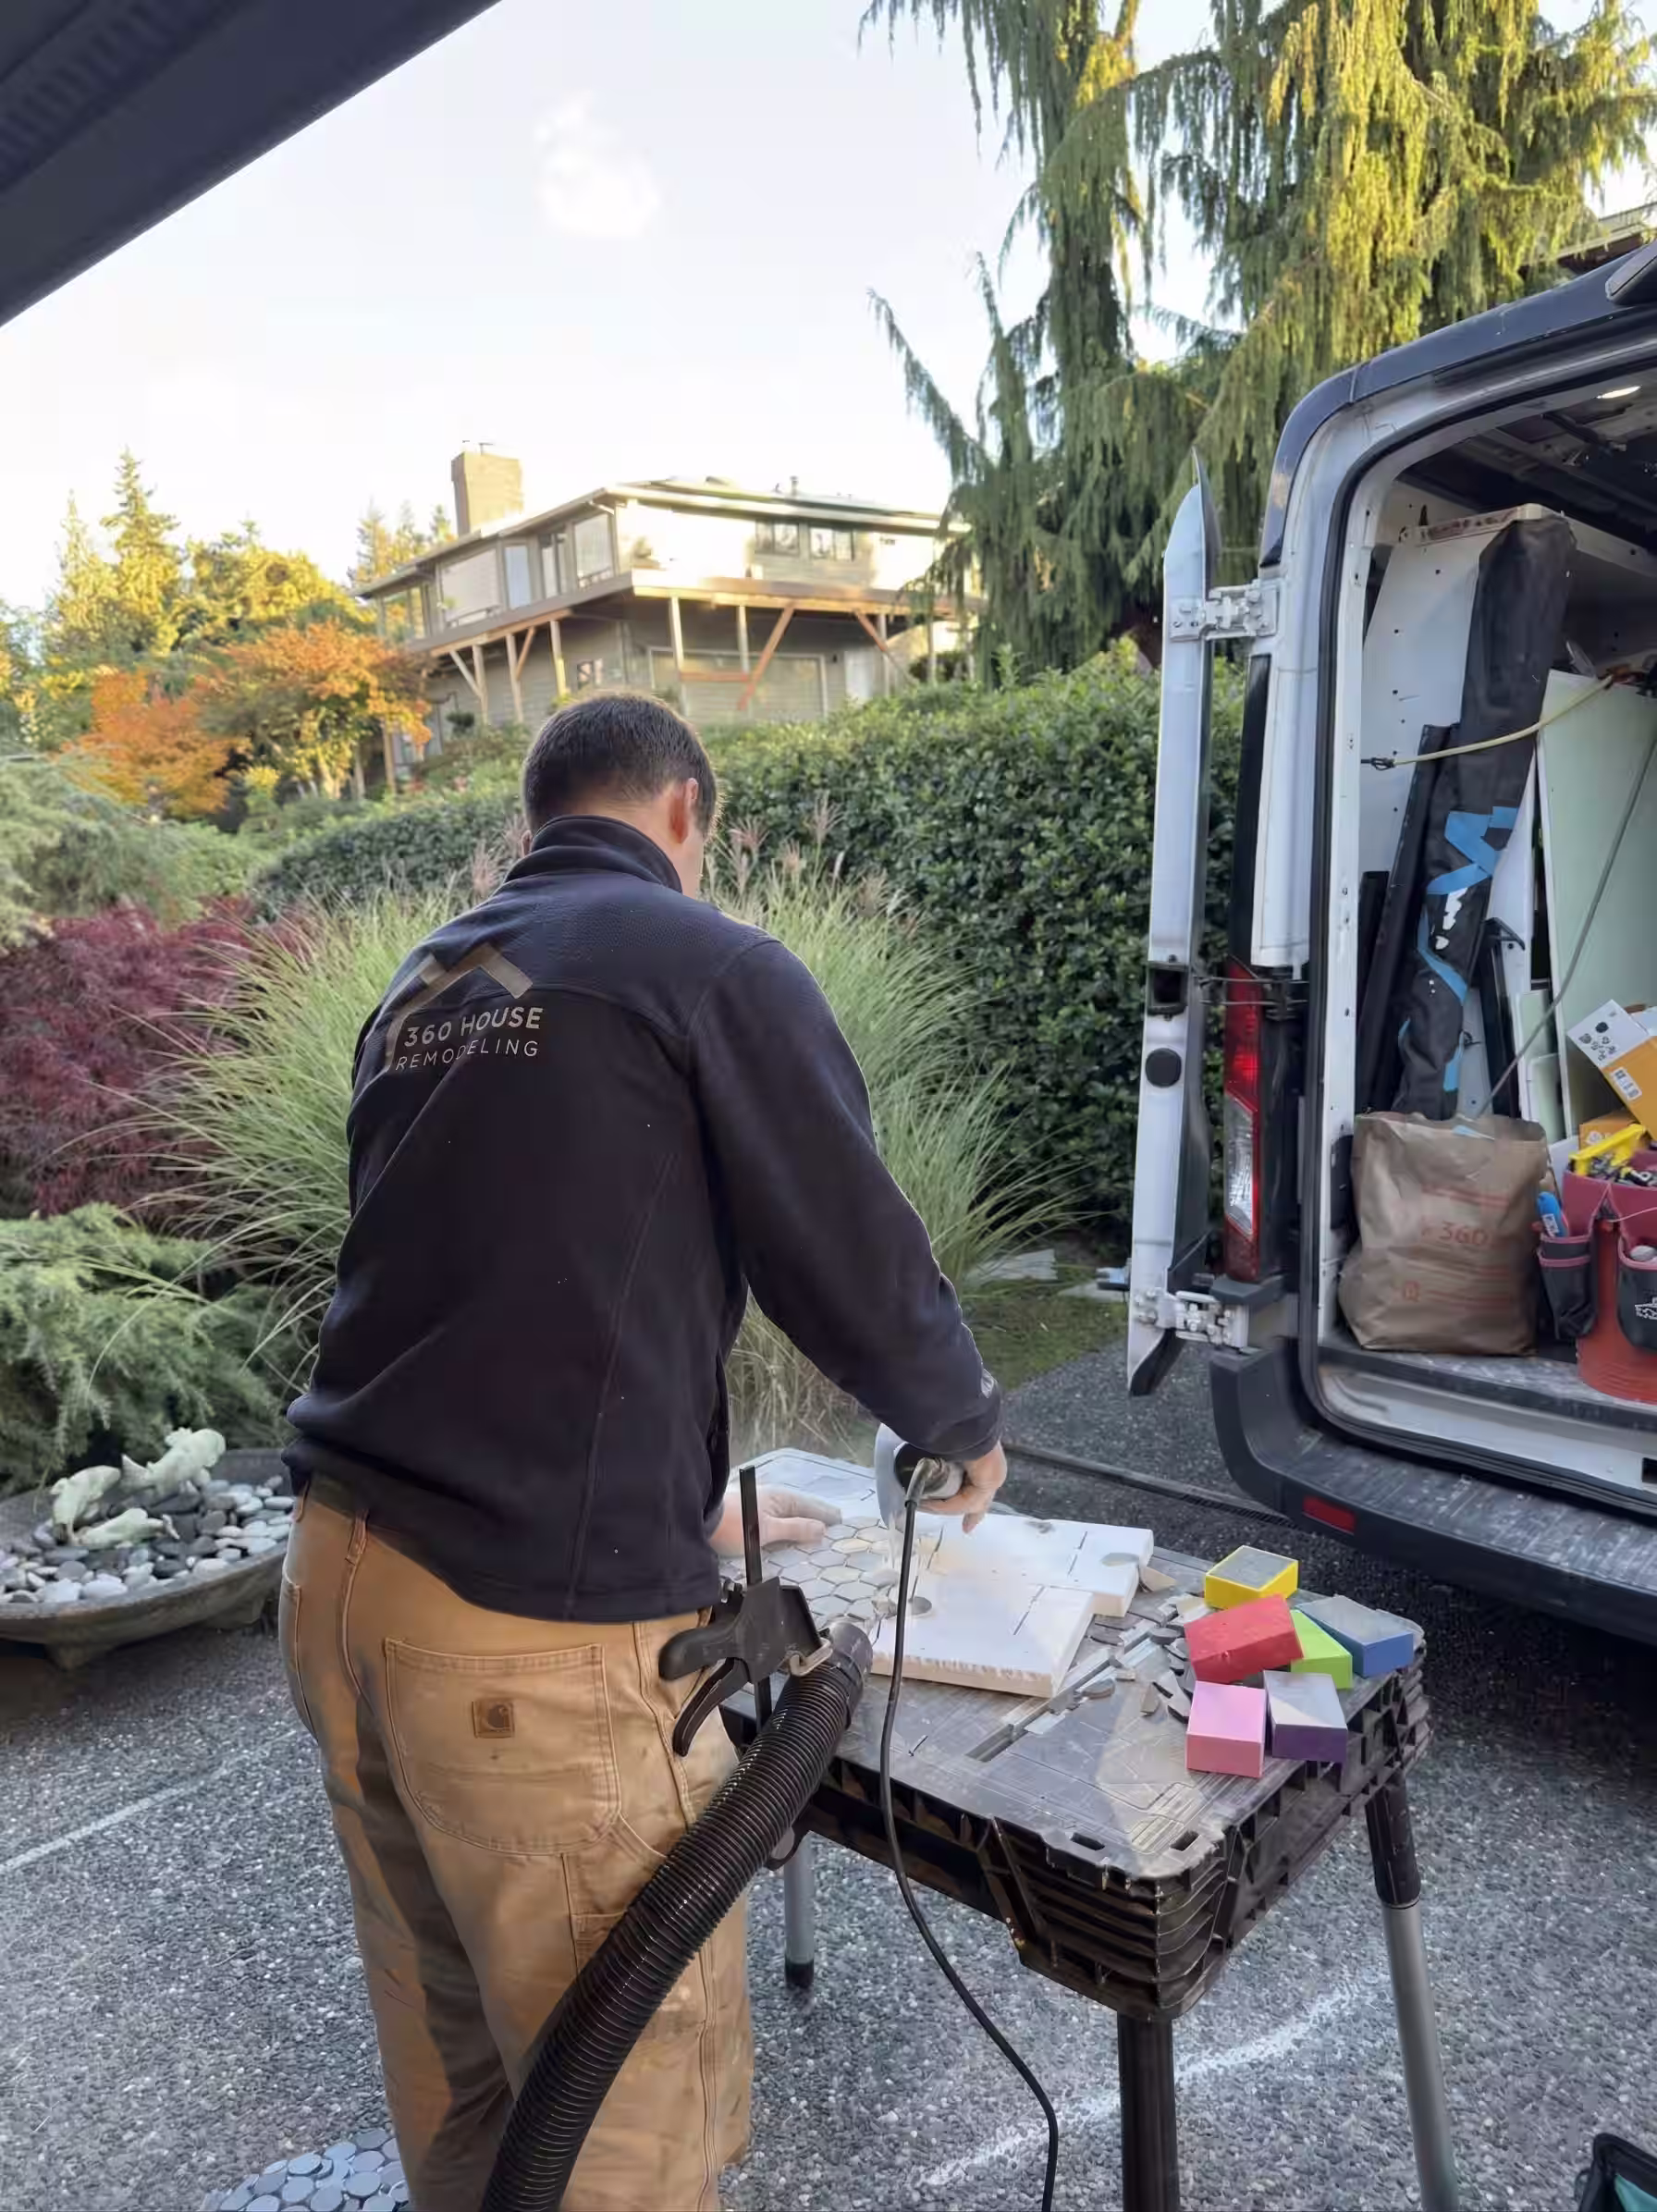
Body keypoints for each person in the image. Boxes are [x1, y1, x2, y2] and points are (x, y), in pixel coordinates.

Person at [280, 689, 1005, 2212]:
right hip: (518, 1650)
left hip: (345, 1589)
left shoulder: (422, 988)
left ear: (532, 827)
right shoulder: (705, 962)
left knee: (470, 2089)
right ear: (689, 815)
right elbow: (847, 1246)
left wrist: (678, 1517)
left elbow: (476, 1294)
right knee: (614, 2128)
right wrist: (954, 1423)